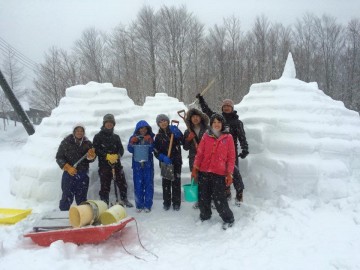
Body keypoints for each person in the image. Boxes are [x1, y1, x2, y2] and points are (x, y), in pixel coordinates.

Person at [196, 94, 248, 205]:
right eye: (224, 106)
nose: (226, 107)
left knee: (234, 174)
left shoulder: (237, 122)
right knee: (220, 175)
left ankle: (239, 194)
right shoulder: (218, 118)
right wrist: (201, 100)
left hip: (231, 153)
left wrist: (244, 149)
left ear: (232, 108)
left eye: (228, 106)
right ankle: (227, 192)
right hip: (218, 153)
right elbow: (207, 111)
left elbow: (242, 137)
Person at [191, 113, 235, 229]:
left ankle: (228, 218)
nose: (216, 124)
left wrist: (229, 173)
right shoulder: (206, 136)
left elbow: (231, 157)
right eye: (214, 122)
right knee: (203, 196)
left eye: (219, 122)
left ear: (222, 124)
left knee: (219, 198)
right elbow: (200, 153)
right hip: (204, 171)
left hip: (219, 173)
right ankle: (205, 216)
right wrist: (195, 168)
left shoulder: (228, 137)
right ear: (211, 124)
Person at [93, 114, 133, 207]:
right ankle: (104, 202)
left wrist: (118, 155)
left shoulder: (116, 137)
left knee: (122, 183)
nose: (109, 124)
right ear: (104, 124)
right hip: (104, 165)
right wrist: (106, 156)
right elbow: (96, 149)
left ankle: (124, 199)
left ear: (113, 124)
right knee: (105, 185)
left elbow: (121, 149)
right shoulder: (98, 136)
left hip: (116, 164)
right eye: (107, 122)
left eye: (111, 123)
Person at [56, 124, 96, 211]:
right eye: (77, 131)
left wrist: (91, 157)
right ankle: (63, 214)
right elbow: (59, 157)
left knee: (81, 197)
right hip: (69, 173)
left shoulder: (88, 143)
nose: (79, 133)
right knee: (66, 196)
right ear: (74, 132)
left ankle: (82, 215)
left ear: (84, 132)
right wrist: (67, 167)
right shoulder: (66, 142)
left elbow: (91, 159)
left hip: (83, 174)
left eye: (81, 131)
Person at [154, 114, 183, 211]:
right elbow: (156, 151)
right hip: (165, 163)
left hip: (176, 162)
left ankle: (176, 203)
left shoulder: (174, 132)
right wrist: (162, 157)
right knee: (166, 184)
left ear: (168, 121)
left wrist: (178, 134)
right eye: (160, 121)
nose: (163, 123)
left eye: (164, 120)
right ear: (158, 124)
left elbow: (183, 142)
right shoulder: (158, 137)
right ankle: (166, 202)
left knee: (176, 183)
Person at [182, 108, 209, 208]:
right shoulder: (187, 131)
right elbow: (185, 147)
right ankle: (199, 200)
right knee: (196, 179)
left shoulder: (207, 129)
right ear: (190, 119)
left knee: (207, 179)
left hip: (206, 158)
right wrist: (188, 139)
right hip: (194, 158)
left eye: (197, 116)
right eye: (193, 117)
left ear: (201, 118)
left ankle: (208, 199)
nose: (195, 118)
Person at [127, 120, 155, 213]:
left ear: (147, 129)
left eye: (145, 128)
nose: (143, 130)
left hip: (148, 165)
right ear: (138, 129)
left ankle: (147, 205)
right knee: (138, 185)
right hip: (137, 165)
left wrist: (150, 141)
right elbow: (130, 149)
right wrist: (132, 143)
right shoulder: (133, 137)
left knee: (148, 184)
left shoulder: (150, 137)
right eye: (141, 128)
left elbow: (152, 149)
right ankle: (139, 205)